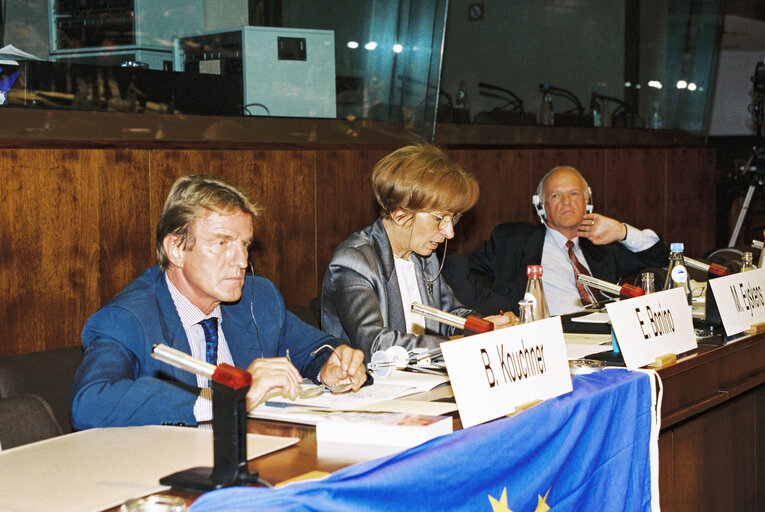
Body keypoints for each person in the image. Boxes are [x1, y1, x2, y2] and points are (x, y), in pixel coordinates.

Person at [71, 174, 366, 429]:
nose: (242, 260)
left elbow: (313, 349)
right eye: (222, 243)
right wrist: (229, 398)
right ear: (176, 249)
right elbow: (89, 404)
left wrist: (332, 365)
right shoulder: (127, 318)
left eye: (245, 244)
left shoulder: (257, 297)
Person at [321, 144, 514, 362]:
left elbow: (449, 316)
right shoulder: (354, 262)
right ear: (400, 215)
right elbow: (376, 344)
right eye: (439, 218)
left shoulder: (423, 256)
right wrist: (458, 346)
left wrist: (486, 327)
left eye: (453, 218)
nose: (449, 233)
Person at [444, 166, 668, 316]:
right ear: (541, 206)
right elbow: (453, 266)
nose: (566, 202)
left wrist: (622, 231)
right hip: (546, 337)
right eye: (555, 195)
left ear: (587, 200)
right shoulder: (512, 241)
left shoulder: (601, 246)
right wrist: (486, 310)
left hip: (602, 336)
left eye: (573, 194)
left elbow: (659, 257)